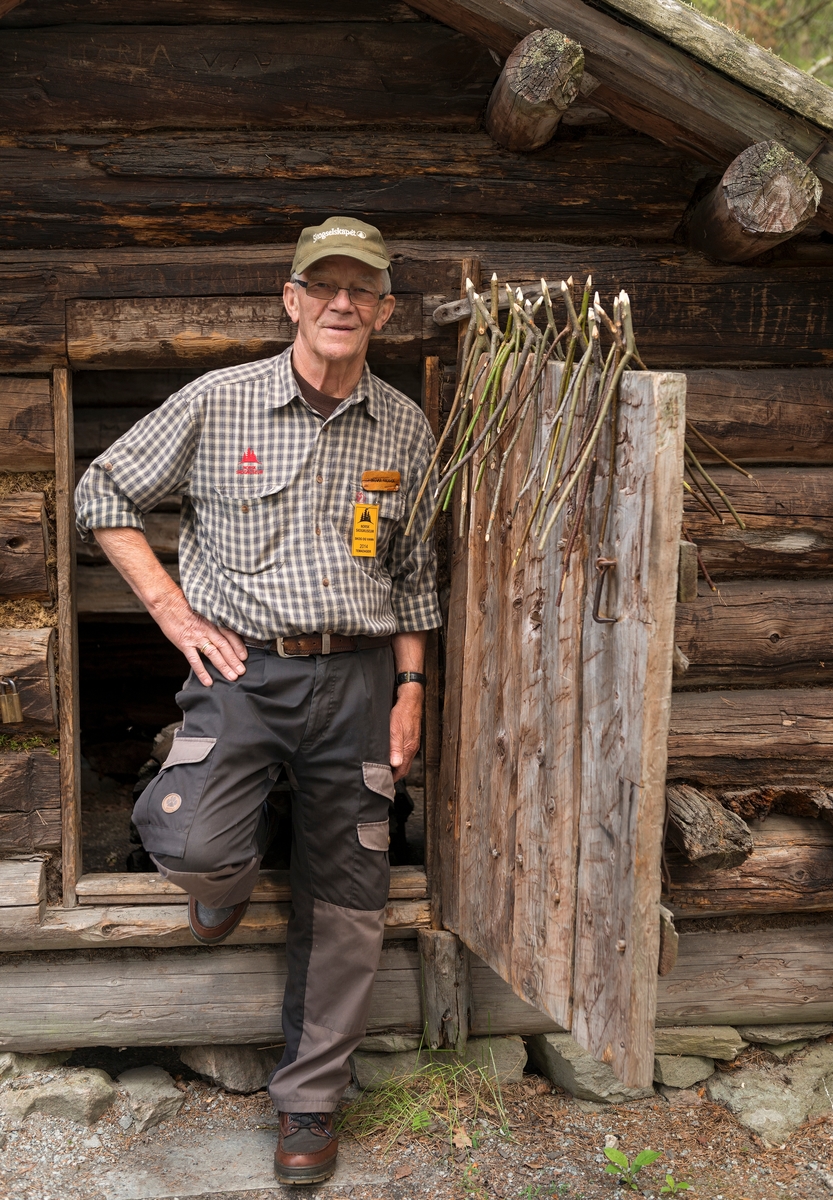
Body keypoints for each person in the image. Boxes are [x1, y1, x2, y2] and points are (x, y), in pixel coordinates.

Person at [74, 216, 441, 1186]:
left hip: (358, 677)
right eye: (321, 286)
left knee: (351, 891)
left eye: (360, 290)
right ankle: (225, 887)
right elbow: (101, 492)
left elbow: (410, 577)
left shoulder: (403, 425)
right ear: (290, 299)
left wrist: (410, 686)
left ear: (382, 309)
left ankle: (310, 1106)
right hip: (241, 671)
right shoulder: (219, 401)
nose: (340, 303)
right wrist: (169, 611)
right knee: (191, 839)